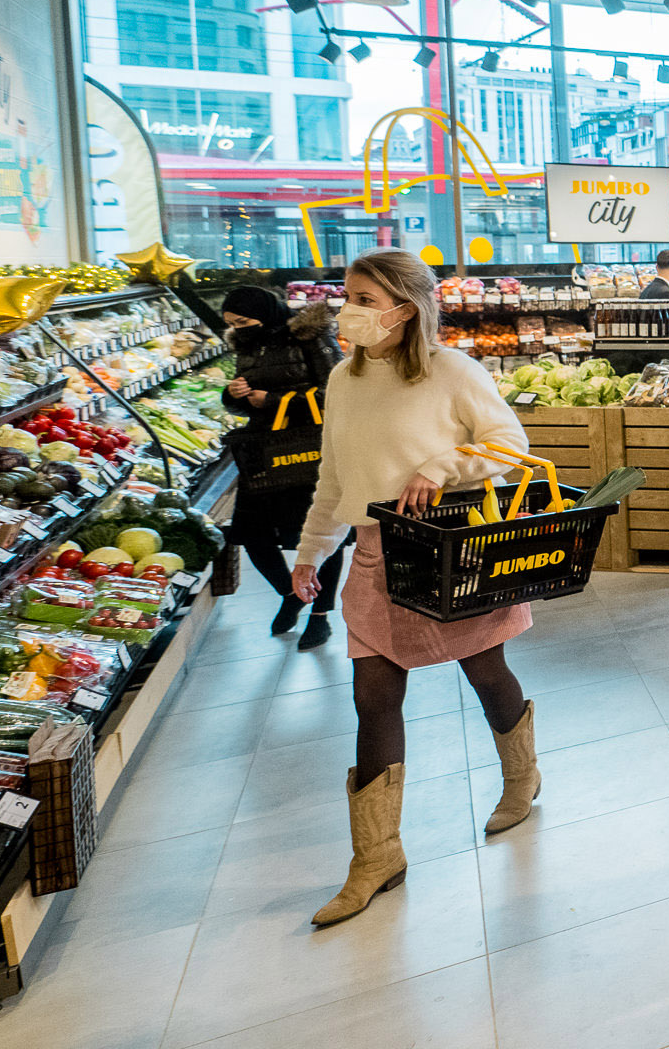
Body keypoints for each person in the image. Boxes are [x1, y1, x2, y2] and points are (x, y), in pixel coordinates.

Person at [291, 248, 543, 928]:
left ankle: (522, 775)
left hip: (450, 550)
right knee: (373, 694)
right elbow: (333, 478)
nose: (350, 310)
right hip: (374, 557)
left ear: (406, 308)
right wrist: (310, 553)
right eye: (349, 295)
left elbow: (507, 443)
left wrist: (442, 463)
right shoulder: (343, 379)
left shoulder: (453, 371)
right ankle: (376, 856)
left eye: (365, 299)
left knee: (487, 670)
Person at [219, 287, 347, 650]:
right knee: (252, 535)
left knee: (320, 536)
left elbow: (337, 390)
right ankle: (292, 594)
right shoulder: (245, 344)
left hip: (307, 450)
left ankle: (320, 617)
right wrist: (235, 396)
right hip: (262, 451)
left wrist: (274, 401)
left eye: (244, 321)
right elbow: (244, 405)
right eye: (231, 324)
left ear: (266, 312)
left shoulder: (310, 334)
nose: (239, 329)